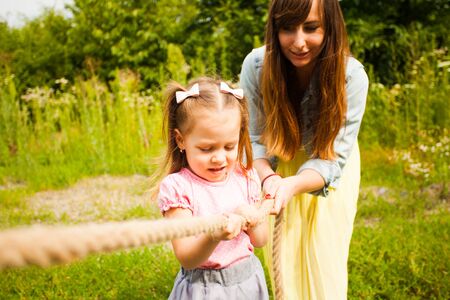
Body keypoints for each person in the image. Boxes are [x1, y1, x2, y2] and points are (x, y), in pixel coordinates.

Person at [239, 0, 369, 299]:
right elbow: (255, 141)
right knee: (284, 255)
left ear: (330, 28)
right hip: (275, 167)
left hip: (328, 165)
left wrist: (294, 184)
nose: (299, 42)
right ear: (275, 29)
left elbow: (332, 160)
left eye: (311, 28)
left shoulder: (352, 76)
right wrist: (270, 178)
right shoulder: (256, 66)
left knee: (325, 257)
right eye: (287, 28)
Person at [157, 77, 270, 299]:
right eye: (207, 149)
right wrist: (213, 236)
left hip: (247, 283)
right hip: (204, 289)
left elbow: (261, 240)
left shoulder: (245, 178)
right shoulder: (179, 188)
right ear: (181, 140)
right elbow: (187, 258)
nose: (219, 158)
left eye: (229, 146)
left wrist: (252, 218)